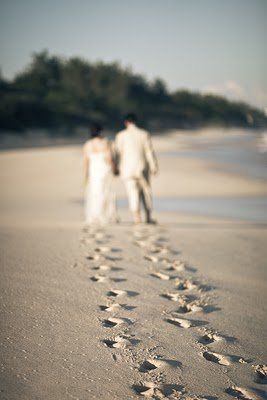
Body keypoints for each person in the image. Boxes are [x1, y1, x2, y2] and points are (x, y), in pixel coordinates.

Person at [115, 113, 158, 224]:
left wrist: (116, 167)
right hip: (142, 167)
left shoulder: (120, 135)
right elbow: (149, 151)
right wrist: (154, 166)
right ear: (135, 121)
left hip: (127, 169)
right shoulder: (144, 134)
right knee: (146, 192)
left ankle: (137, 217)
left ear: (126, 122)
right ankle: (148, 217)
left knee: (132, 193)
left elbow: (118, 153)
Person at [83, 123, 116, 224]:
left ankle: (95, 215)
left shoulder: (87, 144)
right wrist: (114, 168)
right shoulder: (105, 143)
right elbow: (109, 158)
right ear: (101, 131)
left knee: (95, 193)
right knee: (106, 193)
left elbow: (86, 162)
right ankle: (104, 215)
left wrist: (85, 176)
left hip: (94, 172)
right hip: (105, 170)